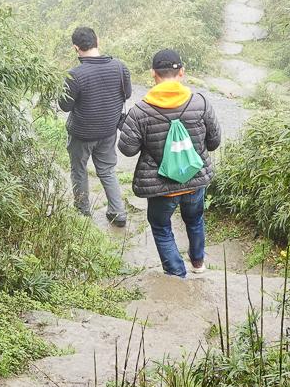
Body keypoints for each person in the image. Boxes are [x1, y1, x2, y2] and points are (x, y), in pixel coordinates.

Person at [118, 49, 222, 277]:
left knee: (161, 226)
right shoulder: (200, 103)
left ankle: (176, 274)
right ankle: (198, 263)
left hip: (161, 186)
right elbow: (214, 142)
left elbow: (127, 149)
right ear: (182, 72)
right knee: (194, 220)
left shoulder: (140, 111)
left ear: (153, 74)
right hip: (194, 179)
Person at [59, 26, 132, 227]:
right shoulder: (120, 67)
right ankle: (118, 213)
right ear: (97, 40)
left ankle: (83, 213)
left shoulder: (75, 74)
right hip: (108, 130)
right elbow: (127, 94)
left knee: (79, 170)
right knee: (107, 170)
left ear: (76, 48)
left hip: (81, 134)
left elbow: (64, 106)